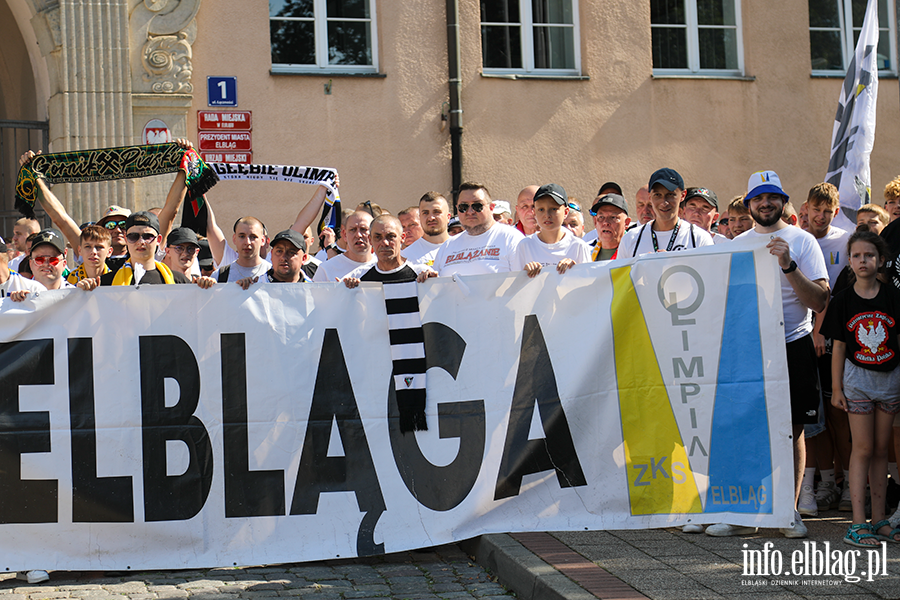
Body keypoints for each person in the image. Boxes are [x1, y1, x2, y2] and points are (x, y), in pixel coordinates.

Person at [705, 170, 828, 539]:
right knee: (747, 429)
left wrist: (788, 265)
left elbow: (820, 300)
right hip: (747, 349)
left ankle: (787, 513)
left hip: (792, 343)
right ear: (749, 204)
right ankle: (745, 515)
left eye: (772, 197)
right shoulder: (734, 244)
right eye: (758, 198)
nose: (765, 203)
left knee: (792, 430)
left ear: (783, 202)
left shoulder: (802, 241)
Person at [824, 230, 900, 546]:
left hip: (890, 380)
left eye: (869, 255)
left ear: (881, 259)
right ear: (850, 260)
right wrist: (837, 389)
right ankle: (857, 522)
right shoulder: (842, 299)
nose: (863, 260)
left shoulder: (894, 297)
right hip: (857, 383)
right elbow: (839, 348)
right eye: (856, 256)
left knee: (883, 450)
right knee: (863, 448)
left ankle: (880, 518)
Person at [344, 215, 430, 432]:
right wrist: (345, 293)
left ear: (402, 238)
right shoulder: (359, 279)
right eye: (378, 237)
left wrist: (437, 286)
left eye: (391, 236)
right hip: (375, 371)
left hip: (421, 370)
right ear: (371, 241)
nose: (384, 243)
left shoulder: (423, 275)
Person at [419, 182, 523, 280]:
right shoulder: (448, 246)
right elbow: (438, 289)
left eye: (477, 206)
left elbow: (524, 283)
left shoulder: (511, 238)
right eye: (463, 207)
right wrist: (428, 278)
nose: (470, 212)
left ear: (491, 208)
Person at [617, 168, 713, 258]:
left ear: (683, 195)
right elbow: (619, 275)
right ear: (650, 196)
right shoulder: (630, 239)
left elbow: (708, 274)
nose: (664, 203)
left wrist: (672, 264)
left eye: (671, 195)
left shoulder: (700, 239)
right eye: (657, 195)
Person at [513, 184, 591, 277]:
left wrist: (576, 270)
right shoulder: (525, 246)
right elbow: (515, 286)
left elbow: (588, 285)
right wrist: (524, 274)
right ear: (534, 212)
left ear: (565, 212)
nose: (547, 215)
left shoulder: (579, 247)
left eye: (554, 209)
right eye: (541, 209)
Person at [7, 230, 75, 302]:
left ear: (64, 264)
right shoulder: (15, 295)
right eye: (39, 259)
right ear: (31, 264)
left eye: (53, 260)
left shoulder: (77, 296)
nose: (46, 264)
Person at [313, 211, 376, 281]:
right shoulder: (326, 269)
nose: (358, 235)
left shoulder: (383, 266)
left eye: (364, 229)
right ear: (344, 234)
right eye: (352, 230)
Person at [237, 229, 313, 287]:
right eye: (279, 251)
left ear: (304, 258)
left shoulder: (315, 291)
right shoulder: (253, 287)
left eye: (291, 252)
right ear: (272, 255)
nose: (283, 258)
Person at [211, 217, 271, 283]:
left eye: (253, 237)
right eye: (242, 236)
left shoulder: (273, 274)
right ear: (234, 239)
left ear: (263, 240)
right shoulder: (219, 276)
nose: (247, 242)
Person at [401, 192, 452, 266]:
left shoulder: (461, 248)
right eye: (425, 213)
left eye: (436, 212)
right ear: (420, 217)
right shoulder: (406, 256)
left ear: (448, 217)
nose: (431, 218)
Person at [589, 194, 631, 261]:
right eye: (601, 217)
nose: (605, 222)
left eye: (613, 217)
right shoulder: (586, 255)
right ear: (595, 222)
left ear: (626, 223)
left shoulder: (635, 252)